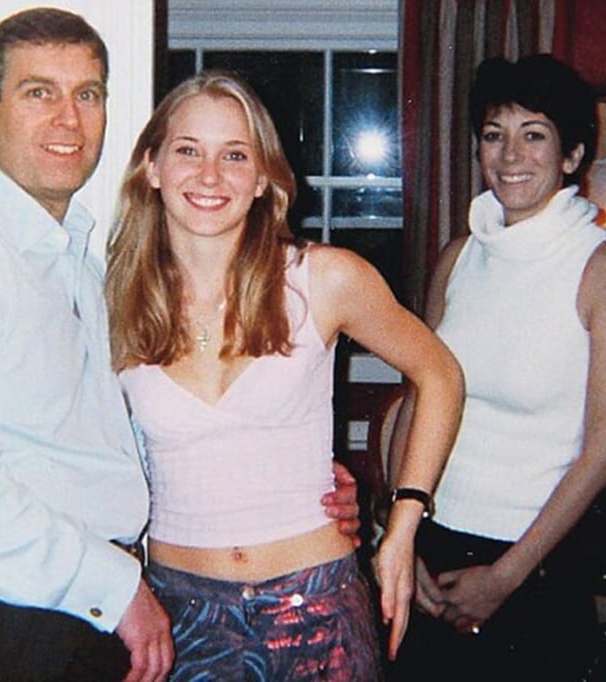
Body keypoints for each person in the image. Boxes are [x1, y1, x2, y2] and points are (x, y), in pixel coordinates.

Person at [0, 10, 363, 681]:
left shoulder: (83, 263)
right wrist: (117, 586)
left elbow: (104, 443)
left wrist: (286, 477)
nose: (68, 119)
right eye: (39, 92)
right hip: (7, 619)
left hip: (86, 615)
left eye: (88, 94)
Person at [105, 70, 464, 680]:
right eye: (188, 150)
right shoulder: (113, 300)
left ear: (262, 179)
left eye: (234, 155)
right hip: (179, 616)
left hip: (318, 605)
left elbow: (440, 375)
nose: (210, 175)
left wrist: (403, 524)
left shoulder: (323, 278)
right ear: (152, 167)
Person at [387, 54, 606, 681]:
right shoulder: (459, 257)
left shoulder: (604, 270)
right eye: (495, 134)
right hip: (432, 542)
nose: (511, 154)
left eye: (534, 134)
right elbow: (416, 402)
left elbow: (604, 450)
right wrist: (400, 533)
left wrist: (506, 578)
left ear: (572, 155)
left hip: (536, 563)